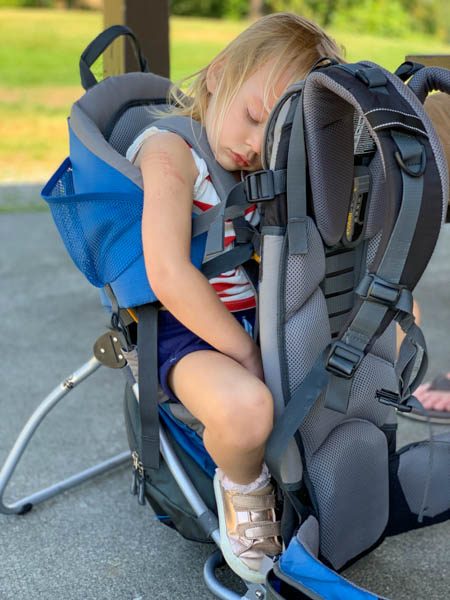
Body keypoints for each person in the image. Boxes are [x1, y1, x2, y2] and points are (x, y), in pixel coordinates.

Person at [125, 13, 344, 583]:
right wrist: (244, 352)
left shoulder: (266, 165)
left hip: (258, 313)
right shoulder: (171, 153)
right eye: (252, 117)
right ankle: (244, 484)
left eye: (275, 136)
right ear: (220, 73)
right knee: (248, 410)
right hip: (183, 328)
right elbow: (168, 273)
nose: (254, 146)